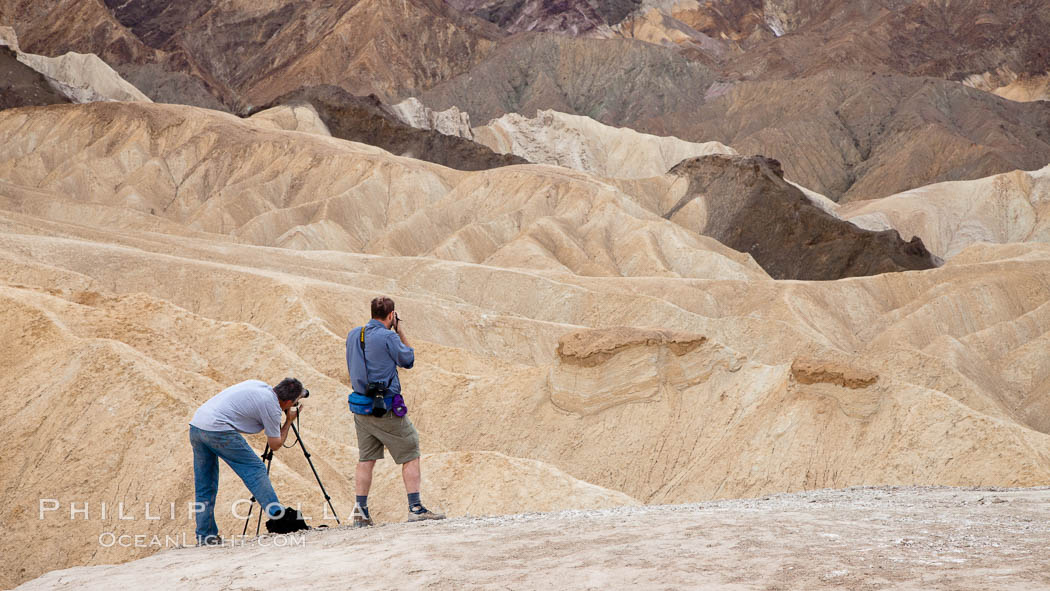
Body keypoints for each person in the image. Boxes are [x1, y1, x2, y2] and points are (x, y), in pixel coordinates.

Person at [346, 296, 444, 527]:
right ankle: (416, 508)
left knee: (366, 458)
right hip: (386, 407)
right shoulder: (389, 336)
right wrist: (400, 331)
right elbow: (408, 359)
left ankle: (360, 512)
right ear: (391, 315)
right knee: (410, 450)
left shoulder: (354, 334)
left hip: (361, 407)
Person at [188, 377, 308, 545]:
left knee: (204, 486)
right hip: (218, 430)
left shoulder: (260, 385)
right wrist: (288, 421)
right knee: (255, 469)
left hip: (197, 426)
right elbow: (275, 444)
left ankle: (205, 536)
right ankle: (278, 517)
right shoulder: (272, 407)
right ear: (288, 401)